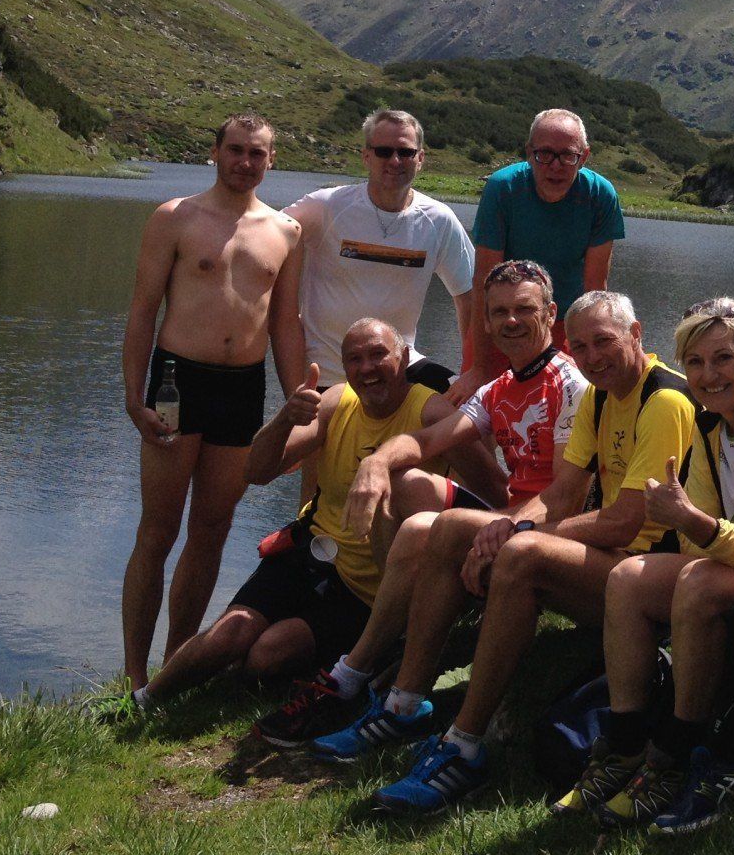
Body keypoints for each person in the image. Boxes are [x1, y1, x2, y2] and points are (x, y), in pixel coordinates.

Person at [319, 291, 695, 816]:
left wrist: (517, 536)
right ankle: (403, 703)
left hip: (658, 579)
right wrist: (510, 523)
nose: (592, 357)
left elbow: (625, 520)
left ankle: (464, 747)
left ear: (637, 335)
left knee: (521, 556)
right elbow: (562, 494)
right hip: (616, 558)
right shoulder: (602, 396)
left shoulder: (663, 400)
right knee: (451, 529)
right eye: (581, 346)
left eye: (604, 342)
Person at [249, 259, 585, 748]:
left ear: (551, 314)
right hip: (515, 518)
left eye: (524, 310)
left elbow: (566, 496)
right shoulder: (500, 389)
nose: (511, 321)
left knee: (427, 524)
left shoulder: (571, 386)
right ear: (485, 322)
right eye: (499, 312)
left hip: (558, 529)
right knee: (407, 483)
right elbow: (428, 442)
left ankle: (355, 676)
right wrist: (377, 463)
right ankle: (391, 658)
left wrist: (508, 526)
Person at [557, 297, 734, 831]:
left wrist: (693, 523)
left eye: (723, 359)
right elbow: (701, 537)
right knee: (628, 578)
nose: (708, 374)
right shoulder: (709, 424)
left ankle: (675, 755)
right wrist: (696, 526)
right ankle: (626, 747)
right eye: (694, 362)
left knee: (697, 582)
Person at [128, 319, 453, 707]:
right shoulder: (336, 401)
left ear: (402, 359)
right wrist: (285, 418)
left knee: (267, 656)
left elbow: (483, 487)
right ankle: (142, 700)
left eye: (378, 354)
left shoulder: (434, 413)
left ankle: (335, 660)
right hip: (308, 553)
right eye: (354, 359)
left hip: (365, 589)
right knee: (231, 633)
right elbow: (257, 472)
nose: (366, 368)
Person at [119, 112, 305, 691]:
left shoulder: (285, 231)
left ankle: (176, 668)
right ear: (216, 152)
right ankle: (131, 673)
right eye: (236, 150)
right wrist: (132, 396)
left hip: (242, 390)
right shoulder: (174, 218)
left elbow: (284, 325)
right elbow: (143, 311)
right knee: (159, 530)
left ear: (271, 160)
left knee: (213, 529)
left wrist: (299, 398)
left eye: (258, 153)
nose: (245, 162)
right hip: (179, 382)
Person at [284, 108, 477, 396]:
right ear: (366, 157)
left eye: (406, 152)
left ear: (421, 159)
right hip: (326, 373)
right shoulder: (326, 206)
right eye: (384, 152)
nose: (395, 161)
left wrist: (472, 371)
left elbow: (470, 297)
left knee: (469, 410)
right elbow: (265, 234)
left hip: (400, 370)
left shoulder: (438, 220)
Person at [462, 109, 624, 387]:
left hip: (565, 321)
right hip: (505, 318)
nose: (555, 165)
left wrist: (590, 355)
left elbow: (595, 286)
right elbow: (484, 282)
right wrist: (479, 367)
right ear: (529, 152)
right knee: (481, 403)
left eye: (568, 155)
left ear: (584, 157)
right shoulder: (503, 188)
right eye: (544, 154)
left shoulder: (600, 194)